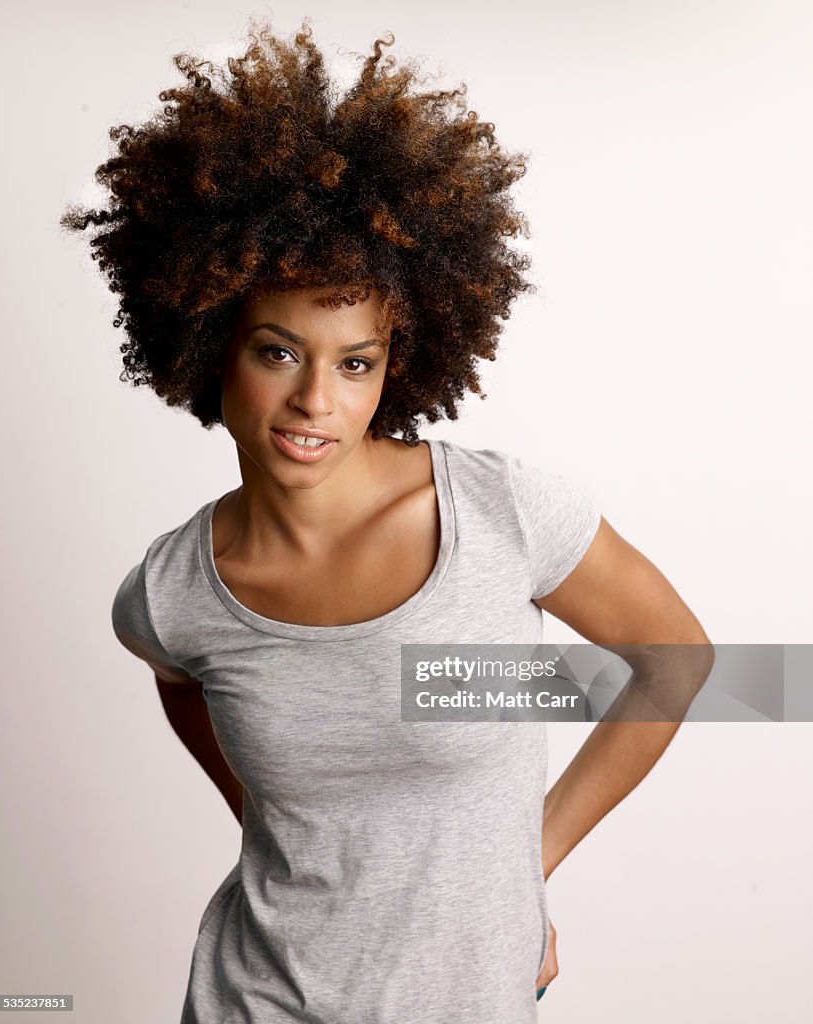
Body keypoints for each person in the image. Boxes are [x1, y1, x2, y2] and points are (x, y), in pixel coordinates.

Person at [60, 17, 712, 1023]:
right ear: (206, 349)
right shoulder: (171, 592)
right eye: (278, 350)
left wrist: (523, 862)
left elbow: (680, 661)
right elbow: (187, 683)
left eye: (355, 362)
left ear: (393, 367)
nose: (317, 397)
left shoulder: (499, 518)